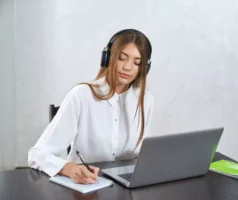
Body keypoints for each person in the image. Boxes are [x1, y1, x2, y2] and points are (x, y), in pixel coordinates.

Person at [28, 29, 154, 184]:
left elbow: (143, 156)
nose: (128, 67)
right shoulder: (81, 95)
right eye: (122, 58)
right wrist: (69, 168)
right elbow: (37, 154)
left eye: (137, 62)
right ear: (107, 58)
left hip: (125, 187)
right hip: (87, 187)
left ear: (144, 68)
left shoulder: (146, 100)